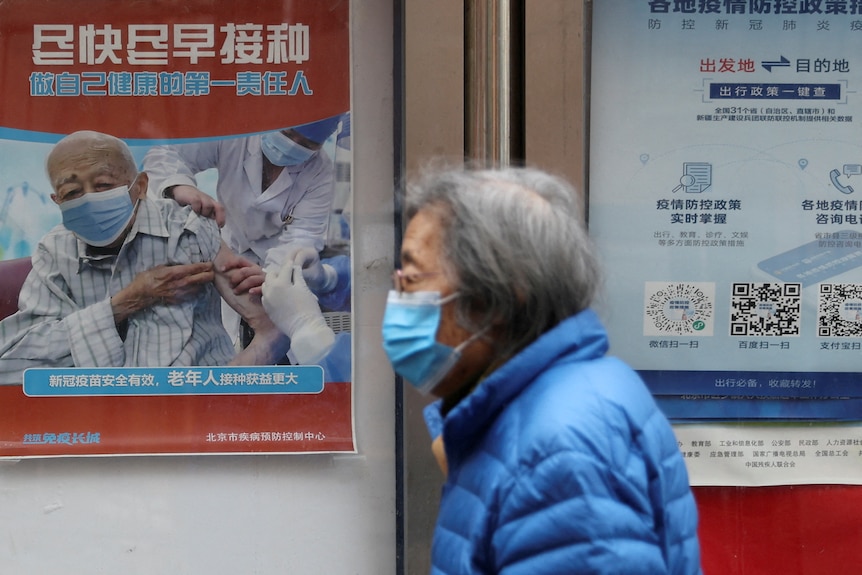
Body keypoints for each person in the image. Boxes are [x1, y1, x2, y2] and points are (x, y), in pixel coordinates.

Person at [381, 166, 702, 574]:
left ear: (498, 296)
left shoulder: (559, 451)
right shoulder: (557, 401)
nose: (400, 298)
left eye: (412, 276)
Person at [0, 130, 290, 382]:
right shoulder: (55, 252)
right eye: (72, 191)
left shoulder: (188, 230)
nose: (89, 198)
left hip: (194, 410)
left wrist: (221, 389)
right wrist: (124, 303)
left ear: (139, 186)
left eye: (103, 185)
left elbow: (273, 331)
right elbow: (11, 362)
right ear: (57, 201)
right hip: (99, 416)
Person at [143, 115, 342, 273]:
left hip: (278, 261)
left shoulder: (320, 172)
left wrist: (271, 276)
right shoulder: (235, 134)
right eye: (286, 133)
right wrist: (179, 186)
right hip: (226, 246)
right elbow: (167, 153)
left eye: (306, 145)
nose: (292, 146)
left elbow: (304, 236)